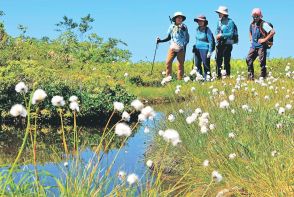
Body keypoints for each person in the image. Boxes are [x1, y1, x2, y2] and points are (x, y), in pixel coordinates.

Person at [157, 12, 189, 80]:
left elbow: (187, 38)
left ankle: (179, 80)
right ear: (175, 19)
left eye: (181, 18)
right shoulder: (171, 27)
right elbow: (169, 37)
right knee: (168, 62)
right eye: (178, 17)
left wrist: (184, 47)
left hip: (181, 48)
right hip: (172, 47)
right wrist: (161, 41)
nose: (180, 19)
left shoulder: (184, 26)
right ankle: (168, 79)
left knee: (180, 65)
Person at [246, 8, 275, 80]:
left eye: (257, 16)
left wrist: (264, 40)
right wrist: (251, 39)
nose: (255, 18)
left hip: (261, 46)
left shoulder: (263, 24)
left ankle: (263, 77)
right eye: (254, 16)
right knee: (248, 59)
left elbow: (272, 32)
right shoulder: (252, 24)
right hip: (253, 46)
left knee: (262, 62)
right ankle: (250, 77)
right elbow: (250, 31)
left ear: (260, 16)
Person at [215, 6, 236, 78]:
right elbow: (217, 31)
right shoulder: (219, 22)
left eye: (220, 13)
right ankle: (219, 76)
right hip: (220, 43)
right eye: (218, 13)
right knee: (218, 59)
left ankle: (227, 76)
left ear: (224, 14)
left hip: (228, 43)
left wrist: (221, 35)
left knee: (226, 60)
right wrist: (217, 36)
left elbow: (231, 34)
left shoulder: (230, 22)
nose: (218, 14)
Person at [193, 15, 215, 80]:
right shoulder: (197, 29)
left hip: (205, 49)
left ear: (204, 22)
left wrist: (210, 51)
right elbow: (197, 39)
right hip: (197, 49)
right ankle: (200, 79)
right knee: (197, 65)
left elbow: (211, 41)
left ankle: (207, 79)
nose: (199, 22)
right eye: (198, 21)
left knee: (205, 64)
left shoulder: (207, 30)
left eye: (201, 21)